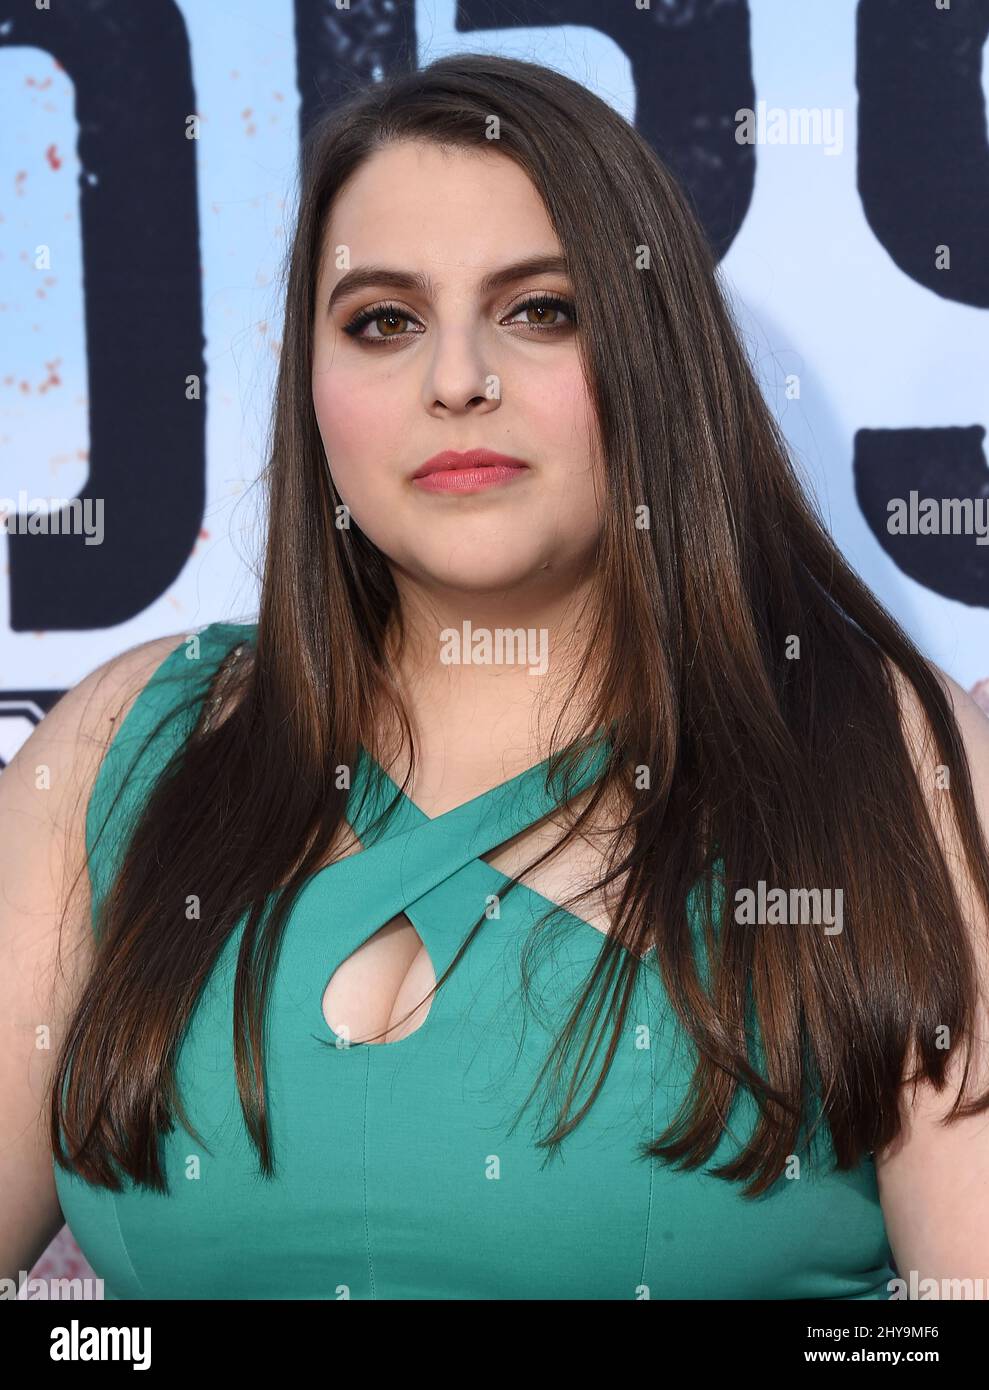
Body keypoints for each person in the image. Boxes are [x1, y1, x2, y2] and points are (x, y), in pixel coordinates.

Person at [3, 53, 988, 1301]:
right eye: (382, 321)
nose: (455, 377)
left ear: (650, 356)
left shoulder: (872, 762)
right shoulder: (125, 746)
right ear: (309, 388)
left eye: (539, 309)